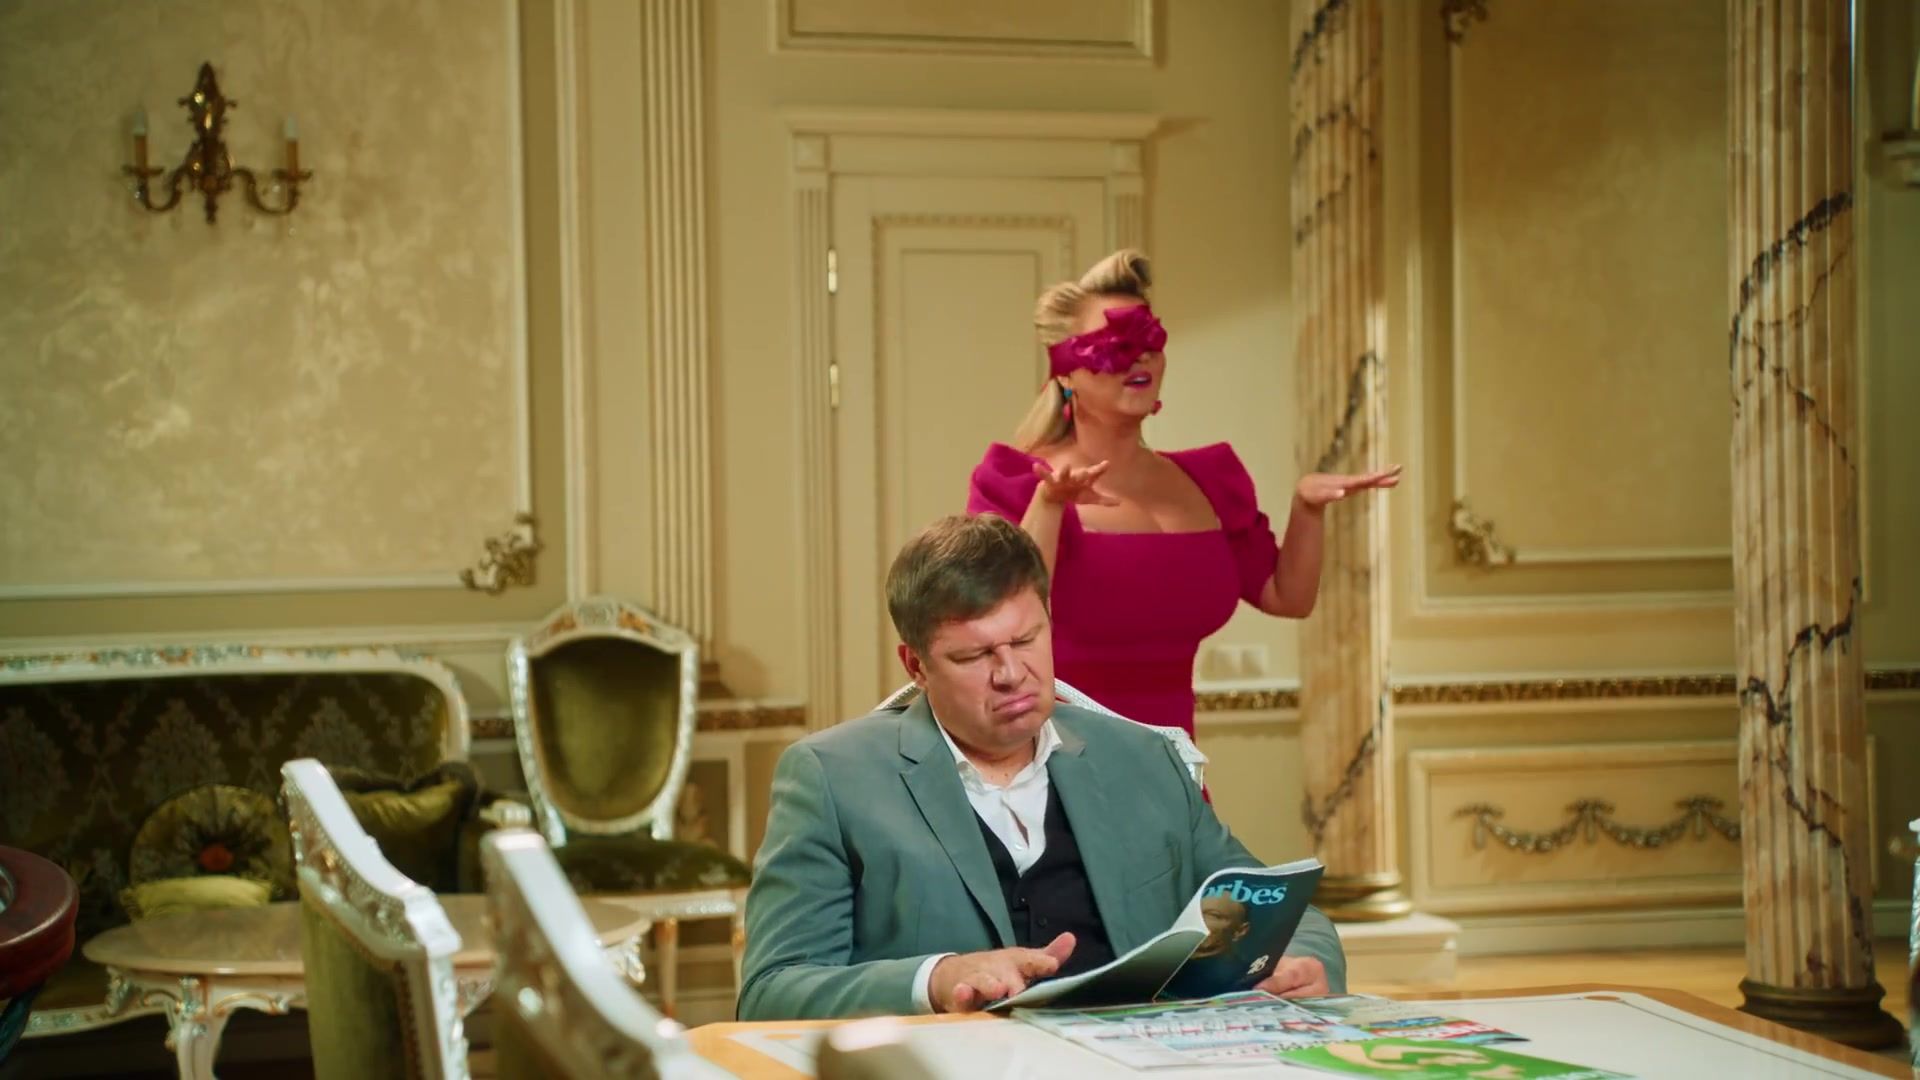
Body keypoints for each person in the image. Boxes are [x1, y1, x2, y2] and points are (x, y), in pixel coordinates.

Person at [738, 514, 1345, 1021]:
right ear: (916, 666)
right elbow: (772, 991)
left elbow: (1281, 912)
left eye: (1026, 640)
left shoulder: (1143, 758)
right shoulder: (832, 778)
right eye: (974, 656)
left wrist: (1305, 964)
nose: (1011, 674)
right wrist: (936, 979)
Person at [967, 249, 1400, 740]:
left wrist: (1307, 508)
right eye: (1116, 343)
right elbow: (1004, 615)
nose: (1140, 356)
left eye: (1150, 340)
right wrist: (1049, 504)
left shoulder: (1209, 482)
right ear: (1065, 372)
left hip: (1174, 762)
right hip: (1053, 758)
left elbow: (1287, 597)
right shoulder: (1018, 482)